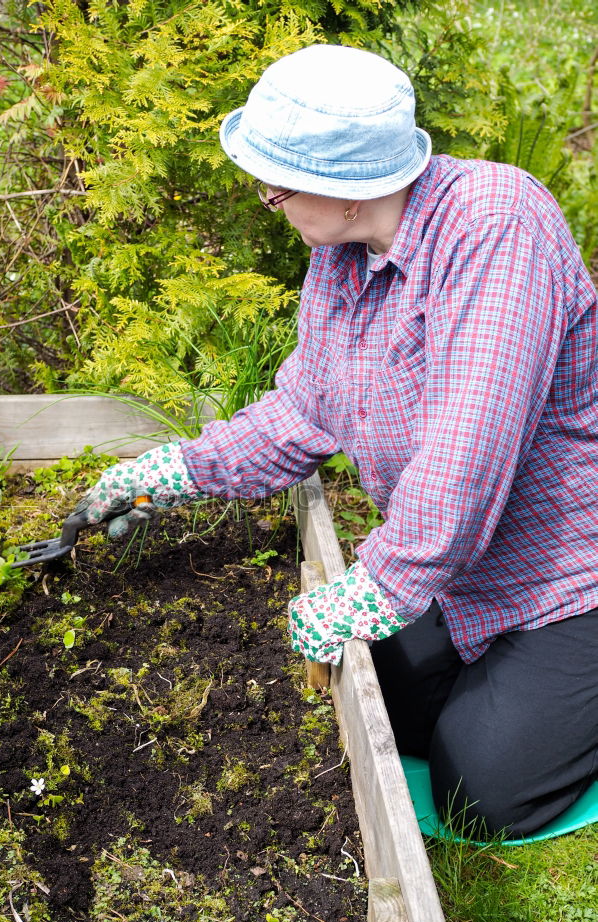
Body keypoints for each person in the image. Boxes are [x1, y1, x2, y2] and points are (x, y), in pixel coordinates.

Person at [78, 45, 598, 839]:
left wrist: (380, 588)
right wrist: (173, 472)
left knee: (480, 790)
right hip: (466, 566)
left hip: (564, 567)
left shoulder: (496, 229)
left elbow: (470, 451)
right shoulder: (344, 259)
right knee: (384, 699)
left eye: (276, 187)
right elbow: (307, 408)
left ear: (348, 192)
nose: (267, 200)